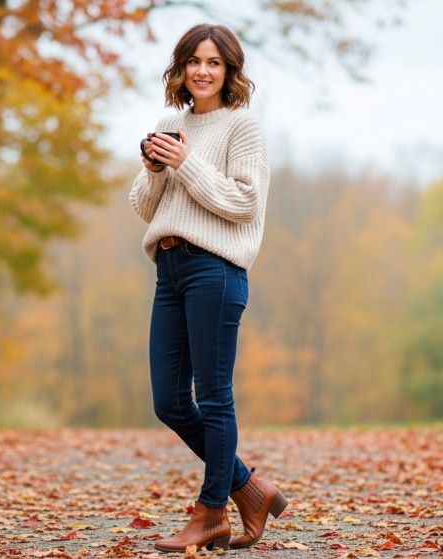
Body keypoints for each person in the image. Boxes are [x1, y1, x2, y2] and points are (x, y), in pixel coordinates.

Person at [128, 23, 287, 553]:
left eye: (214, 62)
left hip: (215, 271)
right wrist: (154, 169)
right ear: (180, 68)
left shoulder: (244, 127)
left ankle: (213, 510)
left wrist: (185, 162)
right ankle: (250, 488)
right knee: (169, 402)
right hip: (168, 270)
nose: (202, 70)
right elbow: (144, 206)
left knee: (214, 399)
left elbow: (244, 202)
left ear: (230, 71)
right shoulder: (170, 122)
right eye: (193, 61)